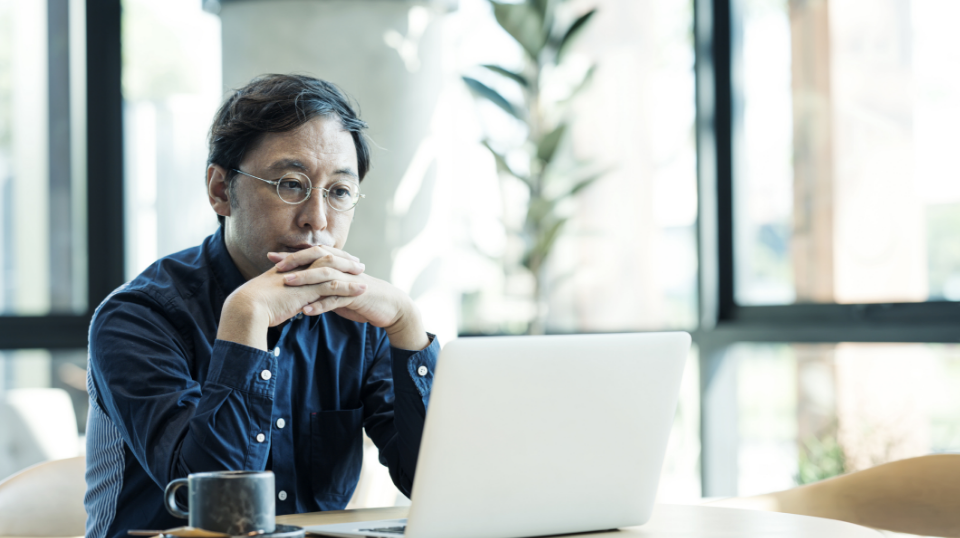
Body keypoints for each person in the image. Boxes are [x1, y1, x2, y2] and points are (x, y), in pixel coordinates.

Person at [84, 74, 438, 538]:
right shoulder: (138, 317)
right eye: (291, 184)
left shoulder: (360, 321)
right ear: (219, 189)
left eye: (339, 191)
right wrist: (246, 321)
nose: (318, 218)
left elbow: (438, 485)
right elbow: (221, 519)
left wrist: (406, 325)